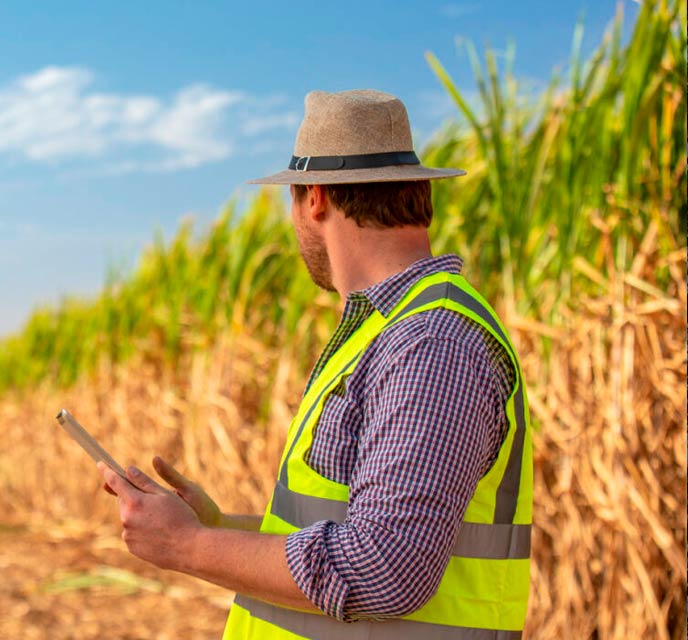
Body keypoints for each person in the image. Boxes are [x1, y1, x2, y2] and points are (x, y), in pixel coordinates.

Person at [98, 89, 532, 639]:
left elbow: (384, 568)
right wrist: (218, 526)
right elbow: (353, 529)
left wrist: (187, 546)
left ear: (317, 198)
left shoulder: (430, 343)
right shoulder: (388, 333)